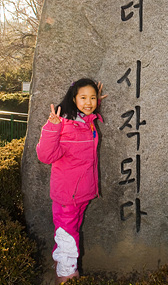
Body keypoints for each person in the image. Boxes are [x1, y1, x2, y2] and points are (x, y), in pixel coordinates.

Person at [36, 78, 107, 284]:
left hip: (83, 193)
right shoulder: (64, 124)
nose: (89, 102)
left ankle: (64, 269)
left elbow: (87, 113)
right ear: (73, 98)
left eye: (92, 98)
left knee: (71, 232)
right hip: (67, 195)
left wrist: (95, 102)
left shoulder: (86, 120)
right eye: (83, 98)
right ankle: (67, 277)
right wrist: (52, 126)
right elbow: (45, 156)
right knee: (66, 237)